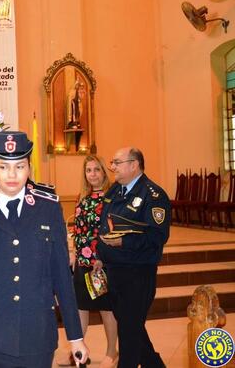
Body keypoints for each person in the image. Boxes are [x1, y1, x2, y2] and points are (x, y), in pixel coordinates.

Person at [0, 131, 89, 368]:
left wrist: (75, 336)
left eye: (19, 167)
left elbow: (61, 275)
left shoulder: (48, 207)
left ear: (29, 168)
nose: (12, 175)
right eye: (3, 167)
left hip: (36, 333)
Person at [97, 147, 171, 368]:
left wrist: (123, 242)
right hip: (114, 271)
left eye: (117, 162)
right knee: (132, 328)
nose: (112, 167)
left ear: (134, 165)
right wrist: (100, 256)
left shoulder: (153, 195)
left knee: (128, 335)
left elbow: (158, 236)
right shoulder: (114, 192)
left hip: (138, 273)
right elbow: (105, 227)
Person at [58, 155, 118, 368]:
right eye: (88, 170)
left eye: (96, 170)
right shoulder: (82, 197)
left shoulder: (111, 198)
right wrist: (74, 254)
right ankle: (79, 352)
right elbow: (80, 230)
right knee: (80, 307)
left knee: (106, 309)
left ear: (104, 172)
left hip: (100, 262)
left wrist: (100, 257)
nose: (92, 174)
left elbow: (110, 231)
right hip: (82, 261)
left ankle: (112, 353)